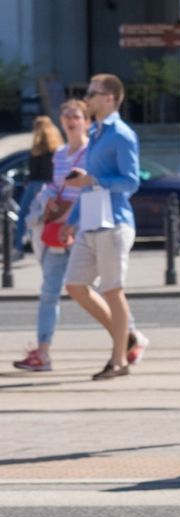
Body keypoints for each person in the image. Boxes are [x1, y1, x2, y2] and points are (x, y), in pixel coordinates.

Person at [61, 73, 149, 380]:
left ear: (109, 97)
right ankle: (126, 337)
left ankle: (119, 361)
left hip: (114, 223)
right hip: (91, 221)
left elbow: (131, 182)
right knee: (74, 285)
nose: (88, 98)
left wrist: (94, 179)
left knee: (112, 290)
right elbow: (89, 184)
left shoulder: (122, 134)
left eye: (93, 93)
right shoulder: (97, 133)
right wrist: (71, 221)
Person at [13, 101, 90, 372]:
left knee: (98, 290)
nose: (70, 120)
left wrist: (71, 221)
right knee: (49, 292)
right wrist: (46, 204)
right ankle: (43, 353)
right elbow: (56, 188)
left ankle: (127, 336)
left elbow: (91, 191)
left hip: (81, 231)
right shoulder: (58, 154)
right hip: (56, 232)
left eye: (76, 116)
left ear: (86, 121)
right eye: (66, 115)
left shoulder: (91, 151)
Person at [16, 116, 61, 253]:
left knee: (25, 215)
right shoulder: (56, 146)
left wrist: (28, 179)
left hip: (36, 184)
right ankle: (49, 242)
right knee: (47, 215)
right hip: (51, 183)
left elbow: (34, 170)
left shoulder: (37, 146)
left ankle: (19, 246)